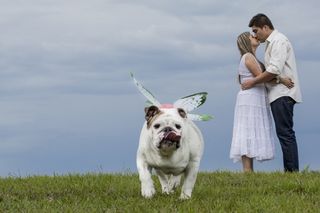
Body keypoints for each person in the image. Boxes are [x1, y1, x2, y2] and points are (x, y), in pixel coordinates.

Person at [242, 14, 302, 172]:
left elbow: (273, 70)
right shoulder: (271, 44)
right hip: (279, 92)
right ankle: (291, 171)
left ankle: (291, 172)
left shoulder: (278, 41)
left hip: (282, 94)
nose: (255, 34)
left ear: (265, 27)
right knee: (284, 133)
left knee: (285, 133)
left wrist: (253, 82)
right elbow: (273, 72)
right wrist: (280, 79)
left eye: (256, 30)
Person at [230, 32, 293, 172]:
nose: (255, 36)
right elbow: (262, 77)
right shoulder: (249, 57)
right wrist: (282, 79)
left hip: (253, 97)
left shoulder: (251, 58)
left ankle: (249, 171)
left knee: (249, 130)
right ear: (247, 41)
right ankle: (247, 170)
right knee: (248, 131)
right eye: (252, 36)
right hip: (251, 99)